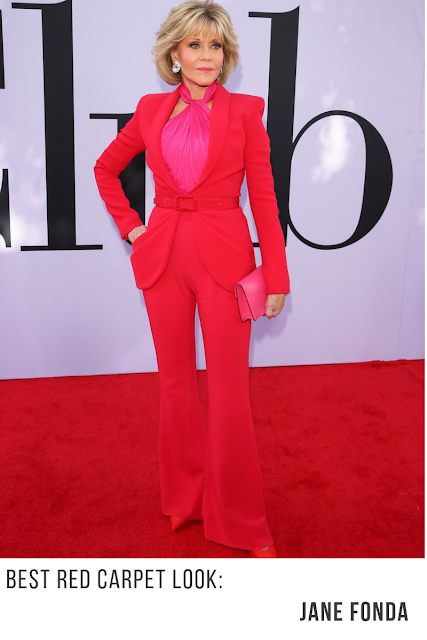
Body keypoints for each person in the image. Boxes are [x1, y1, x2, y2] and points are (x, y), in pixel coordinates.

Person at [94, 0, 290, 558]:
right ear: (174, 54)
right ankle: (185, 496)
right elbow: (105, 168)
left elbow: (267, 200)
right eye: (196, 45)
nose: (207, 55)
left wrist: (275, 273)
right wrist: (132, 229)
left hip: (226, 262)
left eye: (216, 45)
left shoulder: (247, 111)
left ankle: (243, 521)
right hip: (162, 261)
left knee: (230, 393)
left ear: (225, 55)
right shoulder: (151, 109)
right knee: (176, 384)